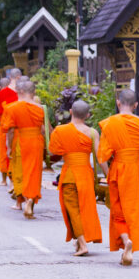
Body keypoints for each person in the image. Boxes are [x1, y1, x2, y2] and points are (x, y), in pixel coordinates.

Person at [98, 88, 139, 266]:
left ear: (118, 103)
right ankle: (129, 242)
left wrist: (108, 175)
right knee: (132, 207)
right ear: (136, 105)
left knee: (118, 208)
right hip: (136, 168)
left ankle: (126, 241)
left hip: (118, 167)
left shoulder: (110, 123)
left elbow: (102, 156)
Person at [48, 100, 103, 256]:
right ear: (88, 115)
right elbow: (100, 157)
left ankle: (83, 244)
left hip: (70, 174)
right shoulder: (92, 132)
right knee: (84, 208)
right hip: (86, 174)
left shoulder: (60, 130)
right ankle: (79, 243)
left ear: (71, 112)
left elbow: (54, 152)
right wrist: (108, 175)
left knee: (73, 210)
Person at [2, 80, 48, 218]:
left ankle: (25, 200)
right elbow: (44, 129)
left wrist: (9, 147)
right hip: (36, 142)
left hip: (21, 141)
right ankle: (31, 200)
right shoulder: (40, 108)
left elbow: (10, 130)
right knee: (34, 172)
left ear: (20, 92)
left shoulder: (12, 108)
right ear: (33, 92)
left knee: (22, 170)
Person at [0, 71, 20, 186]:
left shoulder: (2, 93)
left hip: (5, 126)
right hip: (21, 127)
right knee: (18, 153)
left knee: (4, 153)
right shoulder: (23, 93)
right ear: (19, 77)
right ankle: (17, 180)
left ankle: (5, 180)